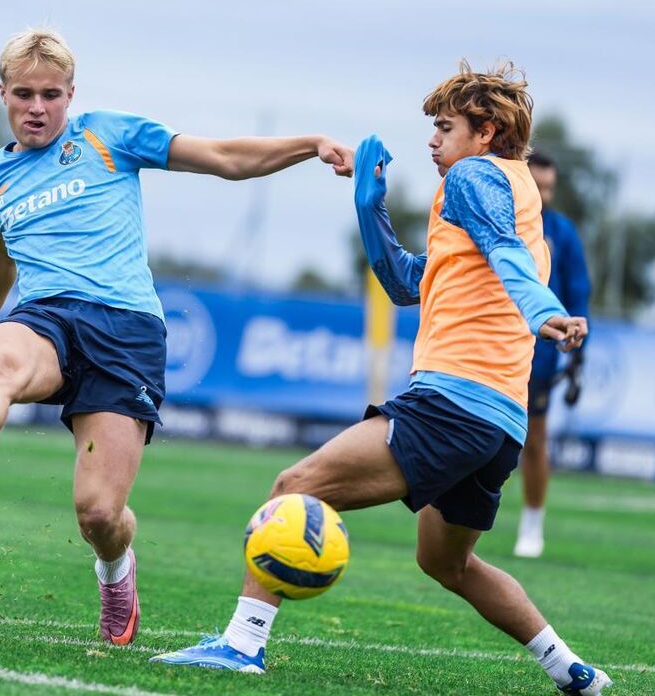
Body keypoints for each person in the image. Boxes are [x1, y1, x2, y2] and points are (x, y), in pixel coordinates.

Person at [151, 62, 612, 695]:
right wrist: (371, 206)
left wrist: (544, 312)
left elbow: (504, 252)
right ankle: (573, 670)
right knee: (445, 562)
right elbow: (405, 284)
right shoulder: (506, 190)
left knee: (294, 487)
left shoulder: (477, 176)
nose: (432, 140)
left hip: (455, 399)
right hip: (499, 420)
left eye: (444, 127)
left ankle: (241, 644)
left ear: (486, 131)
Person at [0, 27, 354, 646]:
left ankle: (116, 573)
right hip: (45, 315)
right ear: (2, 93)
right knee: (1, 355)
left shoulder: (109, 135)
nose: (37, 107)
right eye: (23, 94)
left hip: (126, 330)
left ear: (70, 93)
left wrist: (310, 143)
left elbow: (224, 159)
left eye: (51, 94)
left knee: (99, 513)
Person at [514, 150, 591, 559]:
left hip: (540, 354)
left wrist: (578, 357)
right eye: (536, 187)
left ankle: (531, 525)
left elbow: (577, 291)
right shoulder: (502, 220)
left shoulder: (563, 232)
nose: (543, 195)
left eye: (549, 188)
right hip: (495, 347)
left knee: (536, 440)